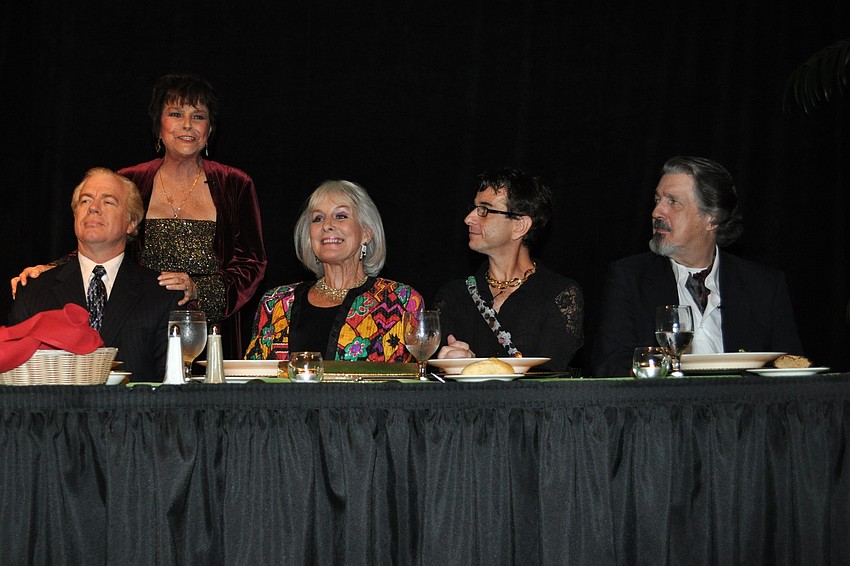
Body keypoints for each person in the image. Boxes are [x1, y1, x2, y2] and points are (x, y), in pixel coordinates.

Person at [11, 73, 267, 356]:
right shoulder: (129, 181)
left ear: (210, 129)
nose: (187, 125)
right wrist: (50, 270)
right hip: (134, 324)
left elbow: (251, 263)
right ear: (159, 125)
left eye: (198, 116)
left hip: (206, 329)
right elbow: (101, 239)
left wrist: (197, 289)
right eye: (176, 113)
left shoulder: (236, 183)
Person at [591, 156, 804, 377]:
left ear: (712, 218)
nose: (657, 212)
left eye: (673, 202)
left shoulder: (764, 286)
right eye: (657, 200)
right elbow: (611, 369)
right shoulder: (630, 278)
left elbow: (790, 369)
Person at [8, 168, 182, 379]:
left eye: (108, 202)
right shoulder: (34, 291)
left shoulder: (161, 295)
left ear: (132, 222)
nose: (93, 208)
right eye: (85, 201)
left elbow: (173, 387)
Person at [244, 180, 423, 362]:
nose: (327, 225)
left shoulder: (399, 300)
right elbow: (253, 382)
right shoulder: (276, 303)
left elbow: (415, 382)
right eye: (318, 218)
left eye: (341, 216)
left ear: (366, 233)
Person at [432, 169, 584, 372]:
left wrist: (477, 366)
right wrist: (449, 362)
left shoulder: (559, 294)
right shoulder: (453, 296)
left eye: (484, 210)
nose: (469, 218)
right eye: (474, 208)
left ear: (520, 226)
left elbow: (548, 376)